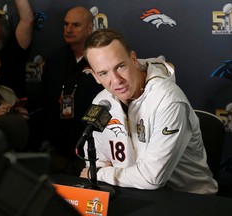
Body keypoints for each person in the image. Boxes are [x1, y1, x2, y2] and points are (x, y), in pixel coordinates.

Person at [80, 28, 218, 194]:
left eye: (121, 66)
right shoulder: (101, 102)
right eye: (103, 73)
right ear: (95, 76)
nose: (116, 80)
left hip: (188, 200)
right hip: (131, 193)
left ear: (133, 59)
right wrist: (100, 171)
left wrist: (100, 174)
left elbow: (152, 178)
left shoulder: (169, 100)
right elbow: (96, 161)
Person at [41, 6, 103, 176]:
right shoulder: (55, 59)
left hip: (92, 156)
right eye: (66, 24)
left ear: (89, 28)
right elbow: (44, 99)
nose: (68, 29)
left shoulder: (101, 61)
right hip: (56, 152)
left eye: (75, 25)